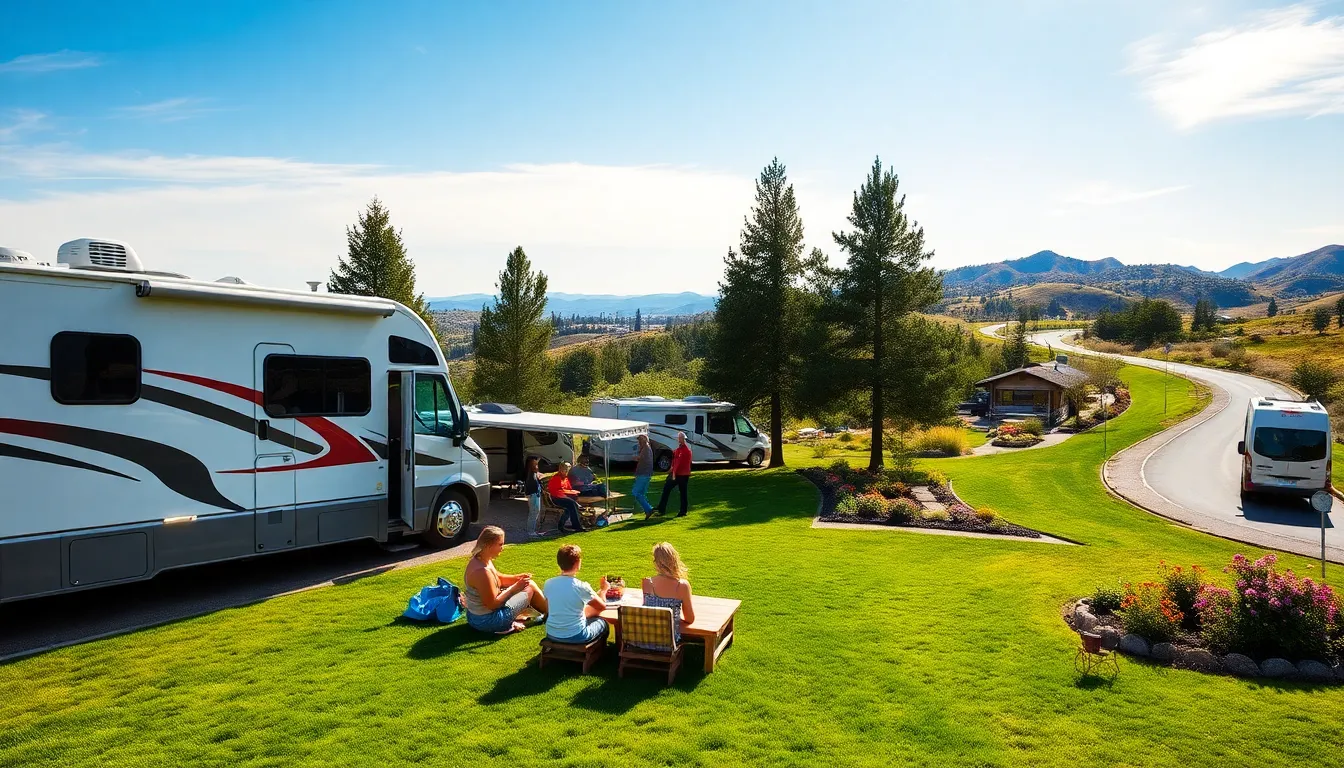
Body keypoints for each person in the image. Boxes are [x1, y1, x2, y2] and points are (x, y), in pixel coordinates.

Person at [463, 526, 548, 634]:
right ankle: (552, 614)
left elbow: (499, 579)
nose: (502, 548)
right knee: (530, 588)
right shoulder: (482, 571)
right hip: (488, 621)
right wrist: (515, 588)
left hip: (477, 618)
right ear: (489, 545)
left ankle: (548, 611)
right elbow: (493, 604)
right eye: (500, 544)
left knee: (528, 584)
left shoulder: (482, 559)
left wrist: (518, 577)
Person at [543, 544, 610, 644]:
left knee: (585, 614)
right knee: (602, 623)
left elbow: (550, 608)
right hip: (577, 635)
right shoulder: (581, 586)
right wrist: (604, 590)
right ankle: (602, 653)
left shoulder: (548, 583)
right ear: (577, 563)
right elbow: (601, 606)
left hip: (552, 633)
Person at [640, 542, 695, 646]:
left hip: (645, 640)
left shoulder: (647, 583)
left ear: (656, 562)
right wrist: (673, 619)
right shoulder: (682, 586)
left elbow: (650, 610)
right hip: (668, 644)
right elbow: (690, 619)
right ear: (675, 560)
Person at [655, 432, 693, 517]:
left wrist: (673, 473)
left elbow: (679, 463)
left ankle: (682, 511)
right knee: (667, 489)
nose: (678, 439)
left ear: (683, 439)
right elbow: (675, 458)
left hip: (682, 475)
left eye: (679, 438)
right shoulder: (679, 449)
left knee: (682, 493)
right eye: (678, 438)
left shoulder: (685, 450)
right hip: (678, 474)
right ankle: (661, 508)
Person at [546, 462, 586, 533]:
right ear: (561, 470)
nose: (567, 472)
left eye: (567, 471)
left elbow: (569, 488)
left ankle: (574, 524)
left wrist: (572, 492)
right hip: (556, 498)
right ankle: (577, 526)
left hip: (563, 496)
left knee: (572, 504)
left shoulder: (565, 478)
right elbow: (557, 491)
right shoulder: (556, 478)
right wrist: (569, 492)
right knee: (572, 504)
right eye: (566, 470)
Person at [633, 434, 656, 519]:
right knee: (642, 493)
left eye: (640, 441)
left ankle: (649, 509)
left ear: (643, 441)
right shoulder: (648, 448)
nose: (639, 443)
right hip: (648, 474)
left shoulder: (645, 449)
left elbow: (641, 459)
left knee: (636, 492)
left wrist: (636, 458)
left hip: (643, 474)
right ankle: (648, 511)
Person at [523, 456, 544, 536]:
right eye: (535, 464)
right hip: (533, 495)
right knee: (534, 512)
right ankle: (531, 531)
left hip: (535, 494)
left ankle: (532, 530)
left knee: (535, 512)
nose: (537, 465)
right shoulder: (531, 474)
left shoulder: (532, 473)